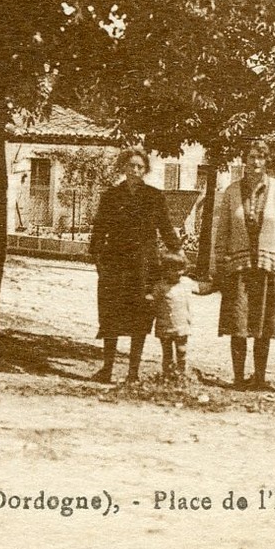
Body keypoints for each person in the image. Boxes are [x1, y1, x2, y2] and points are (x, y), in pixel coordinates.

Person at [206, 139, 275, 391]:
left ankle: (258, 377)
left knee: (263, 326)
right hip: (238, 268)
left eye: (260, 157)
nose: (255, 162)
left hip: (269, 268)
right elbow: (222, 230)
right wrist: (218, 264)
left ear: (267, 160)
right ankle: (237, 378)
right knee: (238, 323)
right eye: (251, 157)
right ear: (243, 160)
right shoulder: (232, 191)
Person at [89, 147, 180, 383]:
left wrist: (177, 250)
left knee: (139, 317)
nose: (135, 170)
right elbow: (99, 230)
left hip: (144, 267)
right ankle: (107, 369)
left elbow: (166, 227)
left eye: (140, 166)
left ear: (145, 170)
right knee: (111, 317)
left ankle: (133, 372)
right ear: (124, 167)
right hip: (115, 265)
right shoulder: (111, 196)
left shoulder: (154, 196)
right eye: (131, 165)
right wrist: (99, 261)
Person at [152, 248, 194, 380]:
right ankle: (167, 375)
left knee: (182, 350)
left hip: (182, 325)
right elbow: (152, 298)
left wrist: (215, 285)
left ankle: (181, 374)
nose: (178, 273)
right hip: (165, 326)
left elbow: (201, 288)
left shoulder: (186, 283)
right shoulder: (160, 286)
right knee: (167, 353)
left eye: (180, 269)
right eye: (173, 269)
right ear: (164, 270)